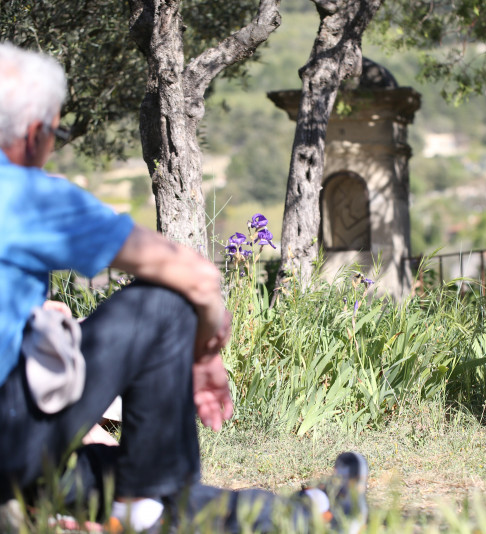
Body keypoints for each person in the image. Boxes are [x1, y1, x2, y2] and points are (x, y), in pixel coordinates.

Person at [0, 42, 367, 533]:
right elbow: (195, 274)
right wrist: (203, 352)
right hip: (11, 443)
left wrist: (75, 418)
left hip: (19, 451)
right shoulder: (22, 196)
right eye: (57, 134)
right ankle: (145, 513)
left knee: (142, 489)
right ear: (33, 133)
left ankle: (315, 512)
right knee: (163, 302)